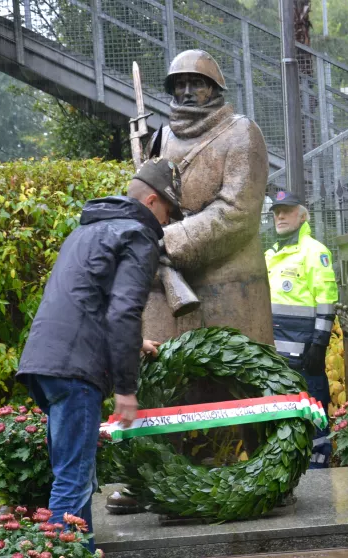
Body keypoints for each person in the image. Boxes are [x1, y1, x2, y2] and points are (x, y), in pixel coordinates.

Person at [16, 158, 182, 558]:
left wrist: (138, 340)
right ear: (152, 200)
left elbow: (89, 301)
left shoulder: (88, 228)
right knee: (72, 479)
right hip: (76, 370)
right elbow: (124, 309)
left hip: (44, 363)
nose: (168, 222)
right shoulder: (137, 233)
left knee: (73, 476)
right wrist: (126, 388)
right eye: (169, 210)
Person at [144, 49, 273, 346]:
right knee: (166, 387)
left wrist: (168, 241)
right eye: (180, 84)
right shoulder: (160, 138)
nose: (187, 92)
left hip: (229, 289)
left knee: (231, 388)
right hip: (165, 290)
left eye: (197, 83)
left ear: (214, 88)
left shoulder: (242, 133)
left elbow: (238, 213)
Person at [265, 191, 339, 468]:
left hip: (306, 354)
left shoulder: (315, 252)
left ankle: (319, 470)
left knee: (314, 411)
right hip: (278, 356)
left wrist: (319, 344)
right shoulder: (271, 255)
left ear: (302, 215)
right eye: (276, 212)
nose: (280, 216)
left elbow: (326, 299)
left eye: (286, 211)